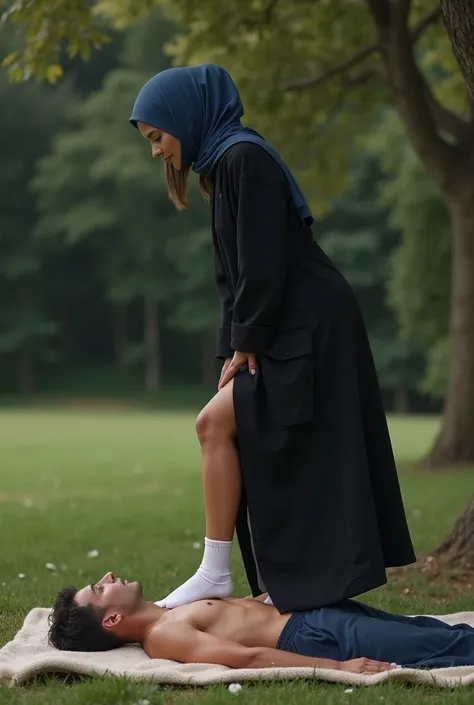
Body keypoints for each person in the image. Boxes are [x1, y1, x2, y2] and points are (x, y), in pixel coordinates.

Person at [128, 64, 416, 613]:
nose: (156, 152)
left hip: (310, 324)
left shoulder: (244, 159)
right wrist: (232, 348)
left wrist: (246, 343)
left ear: (185, 118)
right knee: (236, 431)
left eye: (157, 138)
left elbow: (263, 267)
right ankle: (251, 577)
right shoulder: (225, 164)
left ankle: (219, 573)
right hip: (282, 324)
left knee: (226, 426)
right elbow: (232, 279)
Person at [48, 572, 474, 671]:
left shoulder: (169, 610)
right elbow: (247, 657)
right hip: (313, 635)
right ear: (113, 619)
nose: (107, 578)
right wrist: (339, 668)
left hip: (314, 611)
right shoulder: (164, 636)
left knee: (432, 632)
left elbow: (241, 614)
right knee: (439, 651)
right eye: (100, 590)